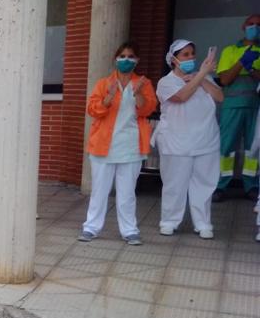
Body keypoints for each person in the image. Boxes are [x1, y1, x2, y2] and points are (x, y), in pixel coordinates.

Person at [78, 43, 157, 245]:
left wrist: (138, 94)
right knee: (99, 190)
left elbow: (147, 109)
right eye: (122, 56)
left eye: (130, 56)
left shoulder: (143, 83)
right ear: (115, 59)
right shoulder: (104, 83)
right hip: (103, 146)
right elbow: (92, 109)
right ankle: (91, 227)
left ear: (136, 60)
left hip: (131, 146)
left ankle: (130, 230)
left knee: (127, 192)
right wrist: (108, 98)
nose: (126, 59)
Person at [154, 39, 223, 239]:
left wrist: (201, 78)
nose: (191, 57)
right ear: (173, 59)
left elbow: (219, 97)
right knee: (174, 184)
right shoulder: (165, 82)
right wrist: (201, 74)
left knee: (204, 184)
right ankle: (169, 221)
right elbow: (182, 96)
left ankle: (202, 223)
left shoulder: (203, 78)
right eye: (185, 54)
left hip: (206, 140)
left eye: (192, 53)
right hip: (176, 142)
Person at [213, 13, 260, 202]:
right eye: (251, 24)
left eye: (258, 25)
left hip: (255, 107)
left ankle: (251, 186)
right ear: (243, 26)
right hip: (231, 106)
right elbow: (224, 79)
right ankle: (220, 186)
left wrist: (250, 68)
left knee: (253, 149)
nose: (255, 27)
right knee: (226, 147)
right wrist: (242, 61)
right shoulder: (230, 50)